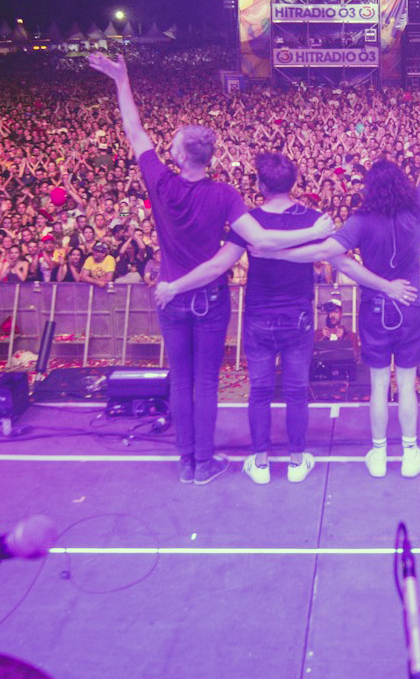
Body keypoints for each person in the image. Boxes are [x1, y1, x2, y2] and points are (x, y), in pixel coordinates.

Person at [87, 53, 331, 485]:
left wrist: (122, 80)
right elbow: (258, 242)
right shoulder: (225, 196)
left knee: (180, 381)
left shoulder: (160, 182)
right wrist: (313, 235)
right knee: (205, 382)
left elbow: (134, 130)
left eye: (174, 142)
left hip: (171, 297)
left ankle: (187, 461)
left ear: (179, 154)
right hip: (210, 300)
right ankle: (205, 461)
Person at [156, 152, 413, 485]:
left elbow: (220, 266)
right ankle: (296, 461)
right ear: (294, 182)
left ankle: (260, 462)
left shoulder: (247, 220)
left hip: (258, 316)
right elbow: (344, 264)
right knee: (295, 391)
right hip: (299, 317)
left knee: (260, 391)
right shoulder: (313, 220)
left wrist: (175, 287)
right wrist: (385, 286)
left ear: (261, 184)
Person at [257, 103, 420, 479]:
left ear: (370, 188)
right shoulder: (417, 209)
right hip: (410, 306)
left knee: (379, 384)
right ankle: (411, 454)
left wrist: (275, 249)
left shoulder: (360, 221)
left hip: (373, 309)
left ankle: (380, 456)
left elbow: (324, 253)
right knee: (406, 383)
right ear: (402, 184)